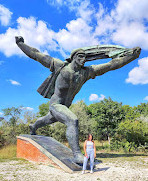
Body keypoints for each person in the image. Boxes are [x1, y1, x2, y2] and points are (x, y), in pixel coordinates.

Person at [15, 36, 141, 164]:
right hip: (56, 104)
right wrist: (21, 44)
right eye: (80, 56)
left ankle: (33, 126)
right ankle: (77, 155)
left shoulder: (86, 72)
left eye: (85, 57)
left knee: (47, 120)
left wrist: (131, 56)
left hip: (64, 107)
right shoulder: (60, 66)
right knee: (72, 120)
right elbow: (36, 55)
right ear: (73, 57)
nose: (83, 59)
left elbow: (111, 65)